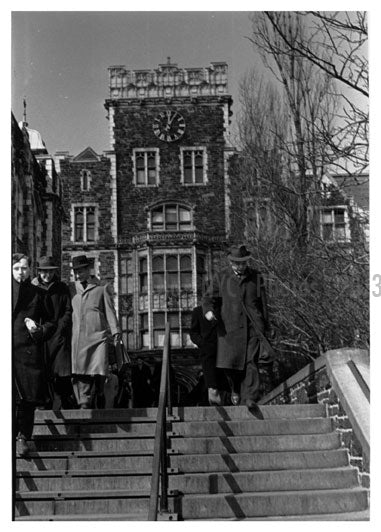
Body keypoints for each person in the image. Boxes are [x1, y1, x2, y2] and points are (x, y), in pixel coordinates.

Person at [202, 244, 275, 408]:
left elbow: (263, 303)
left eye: (243, 263)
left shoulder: (256, 277)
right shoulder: (221, 277)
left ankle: (249, 398)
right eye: (237, 263)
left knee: (251, 362)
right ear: (231, 263)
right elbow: (208, 299)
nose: (240, 266)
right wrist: (208, 312)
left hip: (253, 327)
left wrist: (266, 326)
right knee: (232, 366)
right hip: (229, 329)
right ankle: (235, 391)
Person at [12, 253, 55, 457]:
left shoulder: (37, 294)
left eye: (24, 268)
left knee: (26, 399)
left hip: (28, 353)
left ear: (30, 270)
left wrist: (39, 330)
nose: (21, 272)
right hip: (8, 353)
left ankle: (23, 437)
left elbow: (51, 323)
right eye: (17, 268)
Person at [69, 255, 122, 409]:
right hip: (78, 337)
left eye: (81, 271)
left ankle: (98, 391)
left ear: (88, 270)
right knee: (81, 372)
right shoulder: (71, 289)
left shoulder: (100, 288)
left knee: (99, 368)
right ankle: (84, 401)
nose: (78, 275)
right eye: (76, 272)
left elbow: (110, 311)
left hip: (98, 336)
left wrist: (116, 331)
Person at [32, 256, 74, 409]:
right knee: (44, 370)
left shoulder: (61, 287)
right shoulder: (34, 288)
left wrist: (62, 325)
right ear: (39, 272)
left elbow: (68, 309)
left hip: (59, 333)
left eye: (49, 272)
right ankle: (46, 402)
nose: (47, 275)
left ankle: (64, 400)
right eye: (43, 272)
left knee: (62, 370)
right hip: (43, 334)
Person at [190, 305, 223, 405]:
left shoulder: (225, 308)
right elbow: (193, 332)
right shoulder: (198, 311)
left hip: (225, 349)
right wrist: (202, 343)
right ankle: (212, 395)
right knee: (210, 377)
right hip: (208, 350)